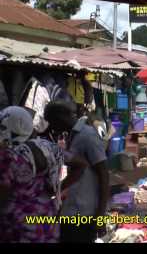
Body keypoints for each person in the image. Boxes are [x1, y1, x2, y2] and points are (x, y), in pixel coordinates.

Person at [0, 106, 85, 243]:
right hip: (46, 225)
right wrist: (58, 188)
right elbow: (81, 164)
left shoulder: (8, 158)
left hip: (18, 231)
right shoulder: (48, 147)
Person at [49, 101, 110, 243]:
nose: (52, 127)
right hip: (73, 209)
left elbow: (104, 174)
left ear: (61, 117)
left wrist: (100, 215)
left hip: (84, 212)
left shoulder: (87, 136)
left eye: (52, 122)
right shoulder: (73, 135)